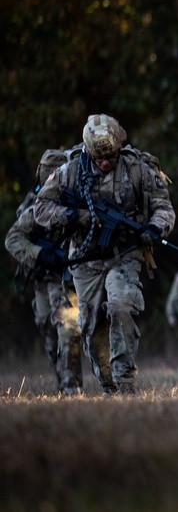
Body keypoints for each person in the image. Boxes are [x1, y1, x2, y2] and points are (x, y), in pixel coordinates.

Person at [33, 115, 176, 395]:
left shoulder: (137, 169)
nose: (106, 163)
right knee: (91, 325)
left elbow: (164, 206)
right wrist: (75, 216)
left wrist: (155, 228)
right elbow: (41, 209)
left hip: (124, 253)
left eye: (111, 156)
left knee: (122, 305)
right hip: (85, 260)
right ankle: (110, 385)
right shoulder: (70, 171)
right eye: (99, 158)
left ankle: (125, 381)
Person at [4, 148, 83, 394]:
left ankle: (72, 386)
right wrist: (40, 254)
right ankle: (63, 379)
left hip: (65, 277)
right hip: (43, 276)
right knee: (48, 332)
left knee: (67, 329)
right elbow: (13, 239)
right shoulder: (35, 206)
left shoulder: (76, 201)